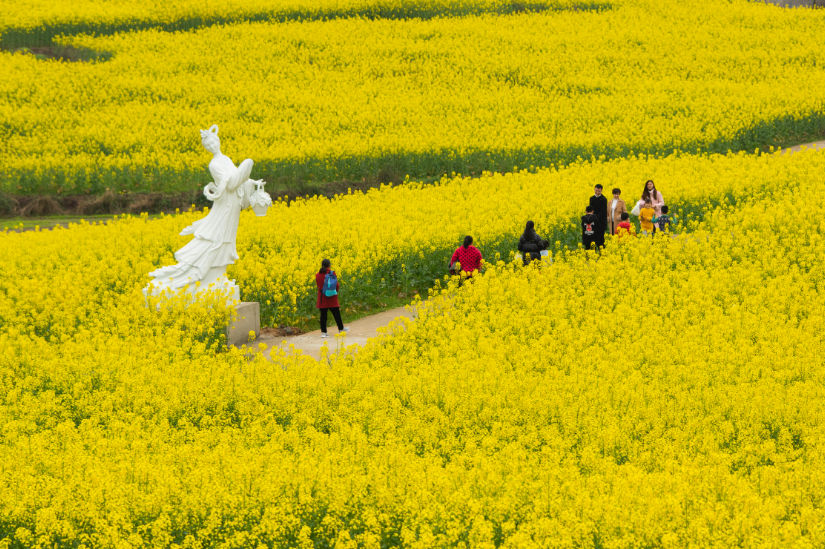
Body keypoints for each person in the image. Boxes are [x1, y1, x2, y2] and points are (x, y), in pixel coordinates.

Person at [315, 258, 346, 338]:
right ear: (329, 265)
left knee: (323, 316)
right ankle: (341, 329)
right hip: (332, 297)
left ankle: (324, 333)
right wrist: (335, 291)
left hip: (322, 298)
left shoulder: (317, 275)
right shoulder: (332, 273)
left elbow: (319, 286)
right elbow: (337, 285)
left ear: (322, 265)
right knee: (336, 314)